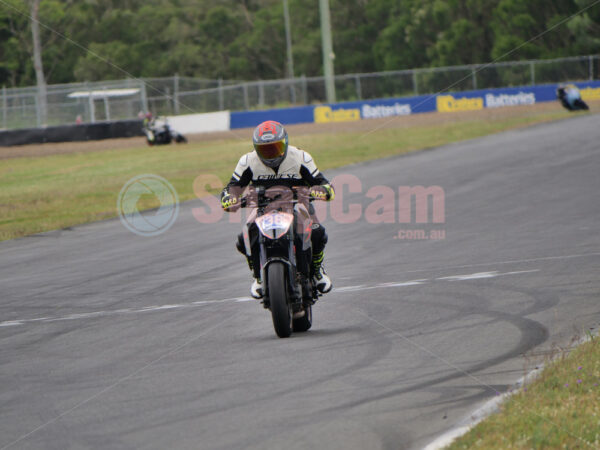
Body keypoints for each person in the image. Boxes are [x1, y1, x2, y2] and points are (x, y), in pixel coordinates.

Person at [220, 120, 334, 299]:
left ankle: (317, 270)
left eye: (275, 147)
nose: (271, 153)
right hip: (263, 206)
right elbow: (232, 187)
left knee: (318, 232)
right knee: (244, 238)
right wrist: (228, 198)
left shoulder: (300, 157)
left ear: (286, 143)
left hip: (298, 203)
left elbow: (321, 182)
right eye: (265, 149)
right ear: (256, 149)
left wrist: (324, 190)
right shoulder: (247, 161)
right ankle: (258, 276)